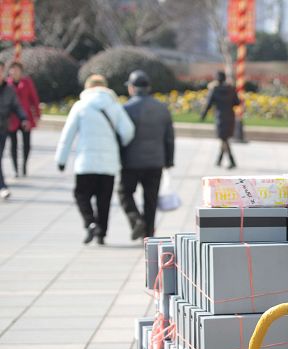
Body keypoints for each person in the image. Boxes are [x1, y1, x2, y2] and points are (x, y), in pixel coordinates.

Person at [55, 74, 135, 245]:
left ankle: (90, 222)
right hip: (108, 162)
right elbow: (128, 131)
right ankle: (101, 234)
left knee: (81, 195)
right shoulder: (114, 106)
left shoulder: (80, 106)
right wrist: (118, 144)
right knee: (104, 200)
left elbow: (67, 135)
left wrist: (61, 160)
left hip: (86, 162)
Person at [118, 70, 175, 240]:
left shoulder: (126, 109)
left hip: (131, 161)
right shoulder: (162, 108)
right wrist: (169, 160)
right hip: (155, 161)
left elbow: (120, 136)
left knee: (124, 192)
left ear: (132, 88)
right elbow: (169, 138)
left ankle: (136, 219)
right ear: (148, 88)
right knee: (151, 199)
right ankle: (148, 235)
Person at [0, 61, 28, 200]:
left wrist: (24, 118)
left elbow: (17, 106)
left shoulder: (9, 89)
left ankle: (2, 186)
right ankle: (2, 186)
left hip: (2, 128)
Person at [7, 61, 40, 178]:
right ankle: (16, 169)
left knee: (26, 144)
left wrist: (37, 114)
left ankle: (24, 164)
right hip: (11, 119)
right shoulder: (6, 84)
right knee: (13, 144)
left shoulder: (27, 82)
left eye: (17, 69)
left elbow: (34, 98)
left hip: (26, 117)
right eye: (13, 69)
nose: (15, 72)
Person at [201, 71, 239, 169]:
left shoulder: (215, 90)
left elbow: (208, 104)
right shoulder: (231, 89)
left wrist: (203, 115)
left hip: (220, 117)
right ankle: (219, 160)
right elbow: (237, 102)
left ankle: (232, 161)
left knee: (224, 139)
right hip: (230, 116)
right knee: (224, 139)